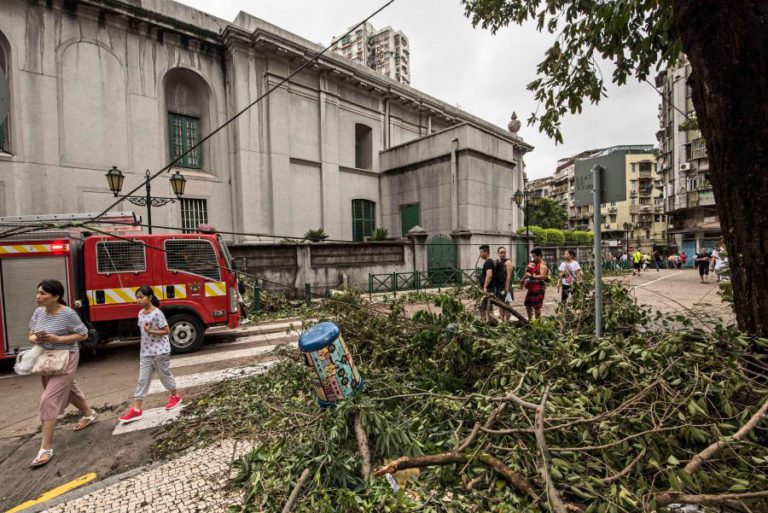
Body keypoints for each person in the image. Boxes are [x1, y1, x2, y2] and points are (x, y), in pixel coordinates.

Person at [28, 279, 96, 467]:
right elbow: (31, 333)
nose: (38, 296)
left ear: (56, 296)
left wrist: (59, 338)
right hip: (47, 357)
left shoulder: (68, 314)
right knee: (69, 389)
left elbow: (83, 334)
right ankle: (89, 414)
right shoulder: (38, 312)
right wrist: (34, 338)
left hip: (66, 357)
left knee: (49, 398)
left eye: (42, 293)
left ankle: (45, 448)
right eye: (38, 292)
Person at [118, 286, 182, 424]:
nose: (139, 300)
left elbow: (166, 331)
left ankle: (175, 395)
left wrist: (151, 331)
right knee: (142, 380)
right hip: (145, 353)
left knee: (164, 375)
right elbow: (143, 331)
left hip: (160, 351)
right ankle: (136, 410)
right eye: (137, 297)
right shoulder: (140, 313)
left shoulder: (157, 313)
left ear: (150, 297)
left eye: (141, 297)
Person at [522, 247, 549, 320]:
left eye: (534, 256)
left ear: (539, 255)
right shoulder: (533, 264)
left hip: (539, 288)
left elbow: (543, 276)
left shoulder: (543, 265)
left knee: (536, 306)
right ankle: (530, 320)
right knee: (527, 304)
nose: (533, 258)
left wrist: (531, 276)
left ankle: (538, 322)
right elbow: (527, 273)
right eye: (532, 256)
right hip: (531, 287)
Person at [494, 247, 515, 322]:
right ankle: (502, 320)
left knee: (507, 303)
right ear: (498, 253)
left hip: (506, 285)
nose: (503, 254)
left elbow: (509, 276)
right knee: (500, 303)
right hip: (499, 286)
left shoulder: (508, 262)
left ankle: (507, 321)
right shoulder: (497, 262)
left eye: (504, 252)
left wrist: (506, 287)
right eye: (501, 252)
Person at [477, 245, 496, 322]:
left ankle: (489, 322)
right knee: (485, 306)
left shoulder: (488, 262)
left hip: (488, 289)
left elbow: (489, 275)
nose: (480, 254)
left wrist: (485, 287)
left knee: (485, 307)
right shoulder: (489, 262)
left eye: (481, 252)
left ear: (486, 252)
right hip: (488, 288)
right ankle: (487, 321)